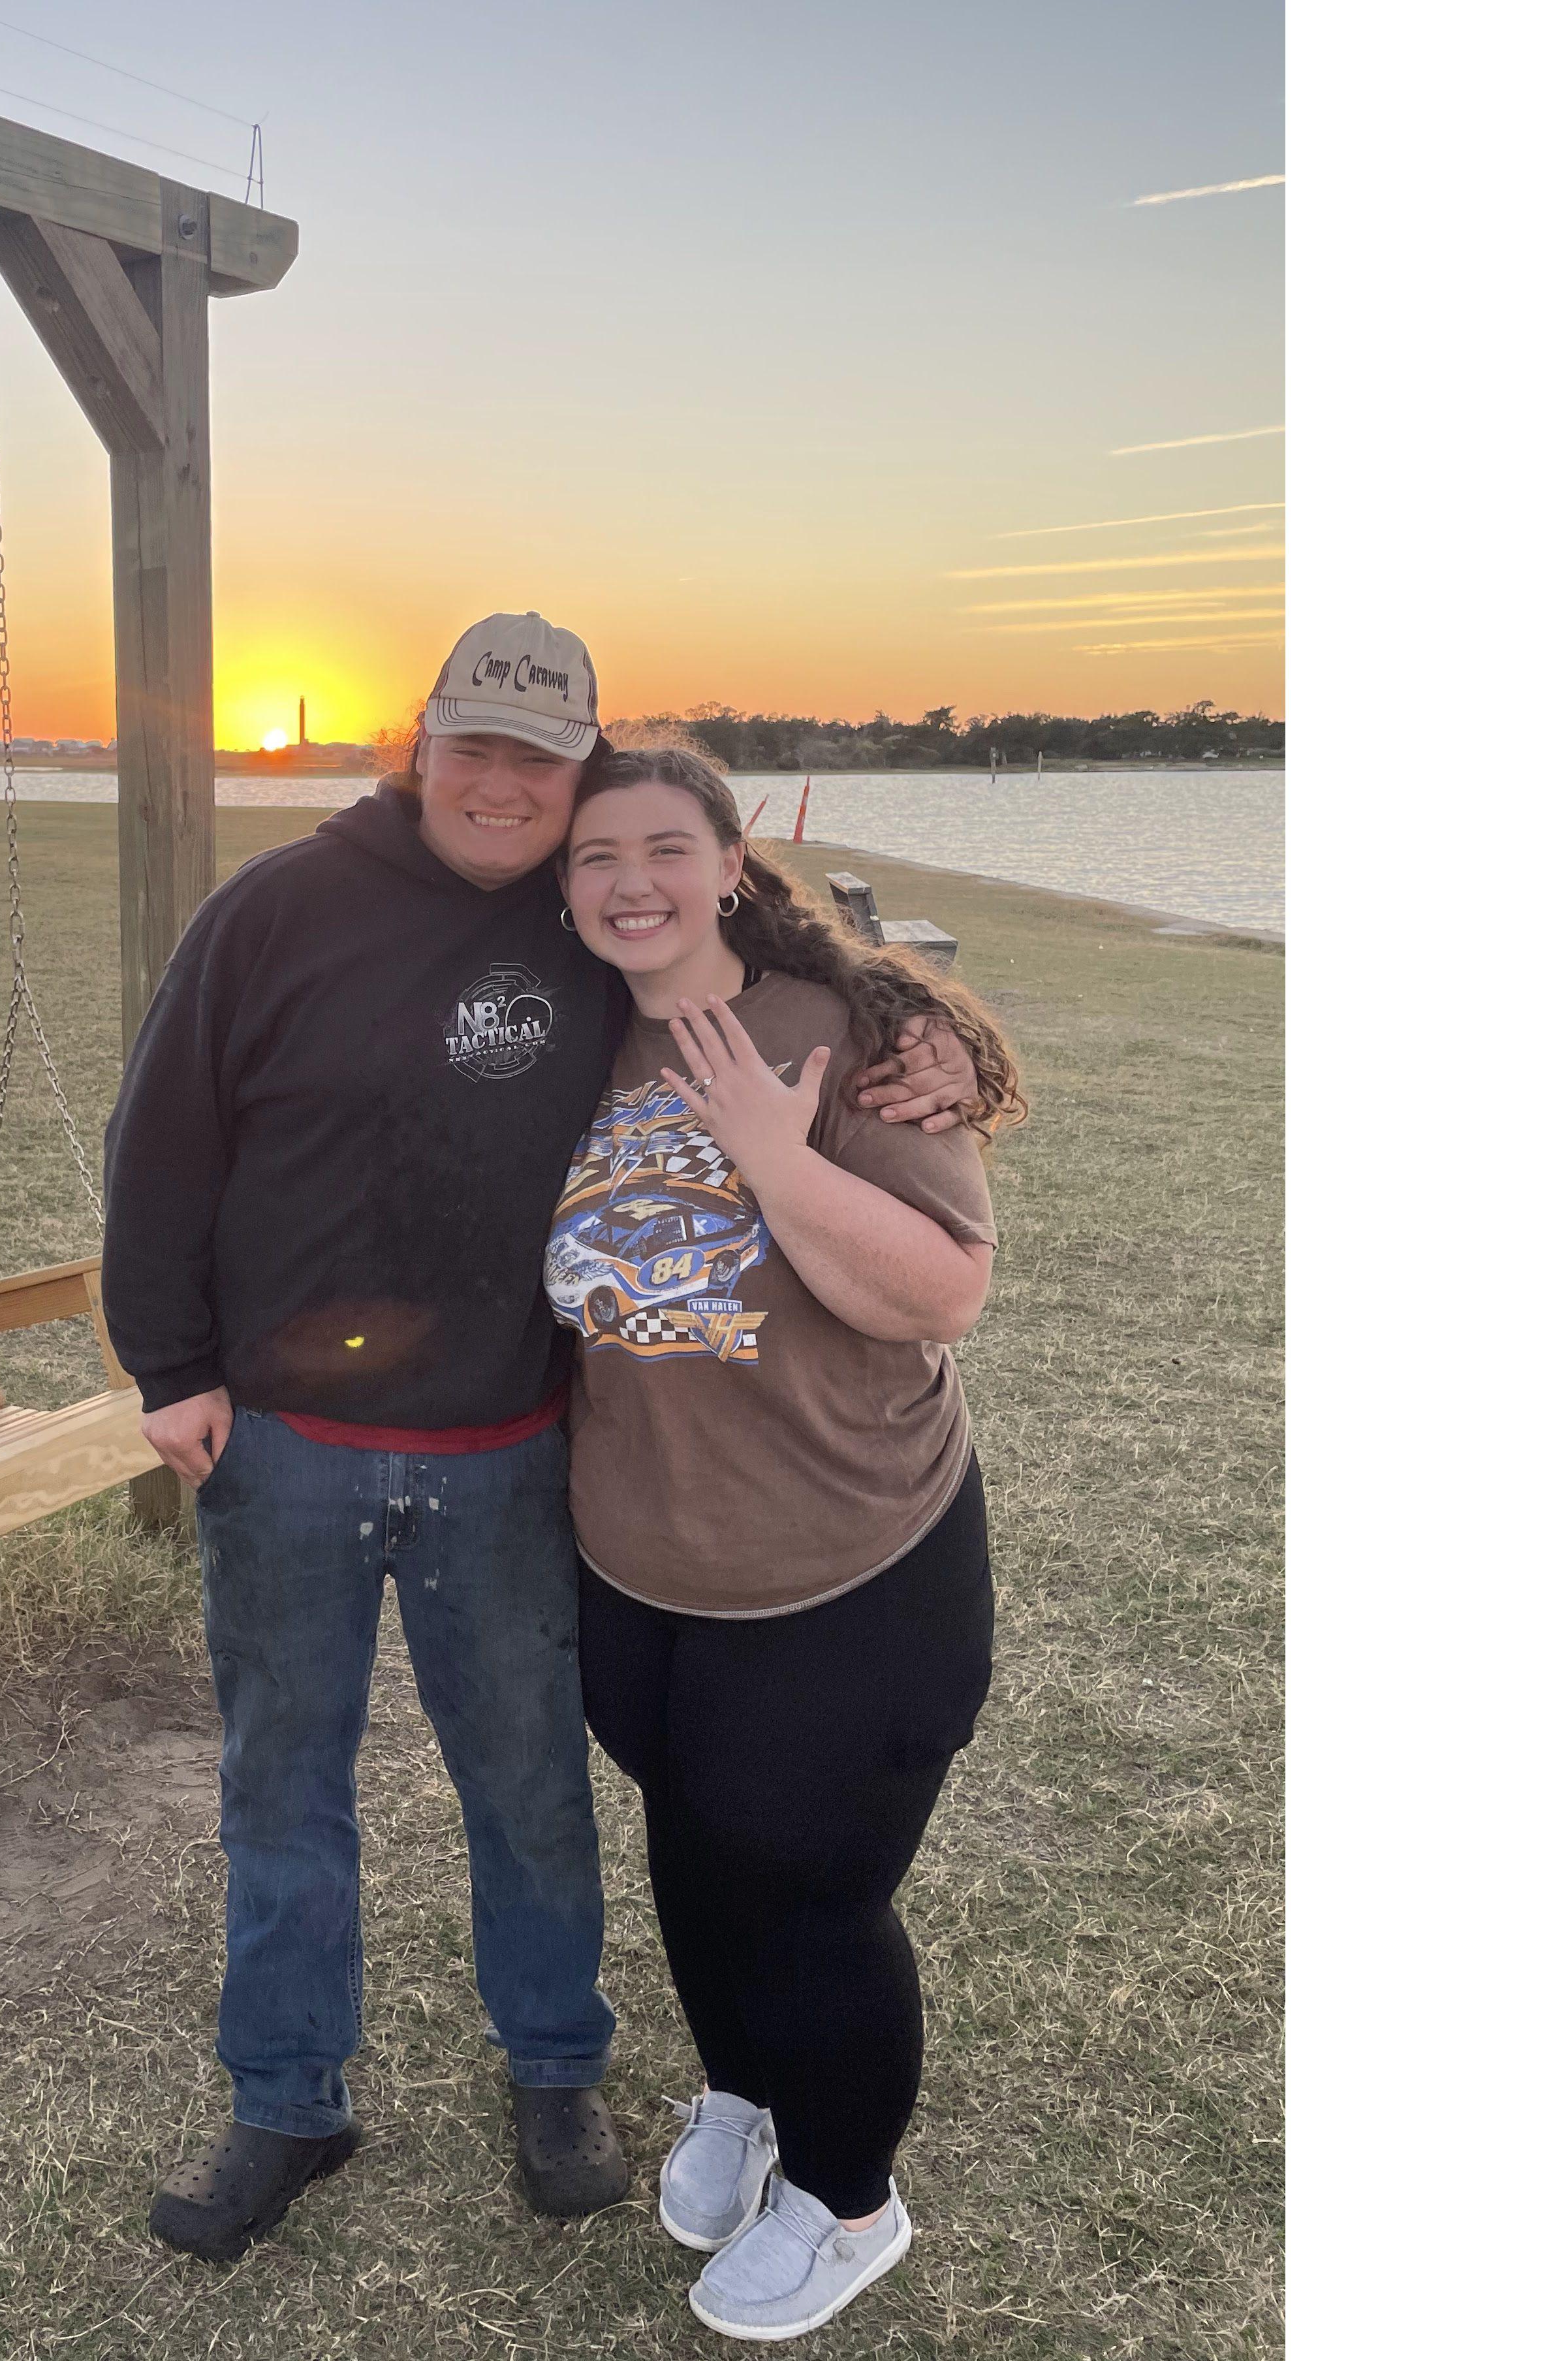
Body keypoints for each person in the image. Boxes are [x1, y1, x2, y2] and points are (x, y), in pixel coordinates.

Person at [99, 618, 983, 2266]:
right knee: (280, 1788)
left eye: (541, 756)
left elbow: (763, 931)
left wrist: (915, 1030)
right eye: (473, 746)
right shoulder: (274, 912)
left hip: (512, 1450)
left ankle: (558, 2072)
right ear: (416, 744)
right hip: (287, 1442)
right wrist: (170, 1360)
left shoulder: (590, 918)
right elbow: (163, 1134)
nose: (505, 784)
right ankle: (287, 2098)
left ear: (577, 768)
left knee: (527, 1786)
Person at [545, 744, 1027, 2343]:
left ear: (732, 861)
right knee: (694, 1846)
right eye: (594, 852)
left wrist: (771, 1148)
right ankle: (743, 2094)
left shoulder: (857, 1040)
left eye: (665, 847)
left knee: (810, 1897)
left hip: (850, 1566)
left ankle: (846, 2197)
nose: (630, 881)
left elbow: (942, 1294)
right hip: (640, 1567)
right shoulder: (567, 1041)